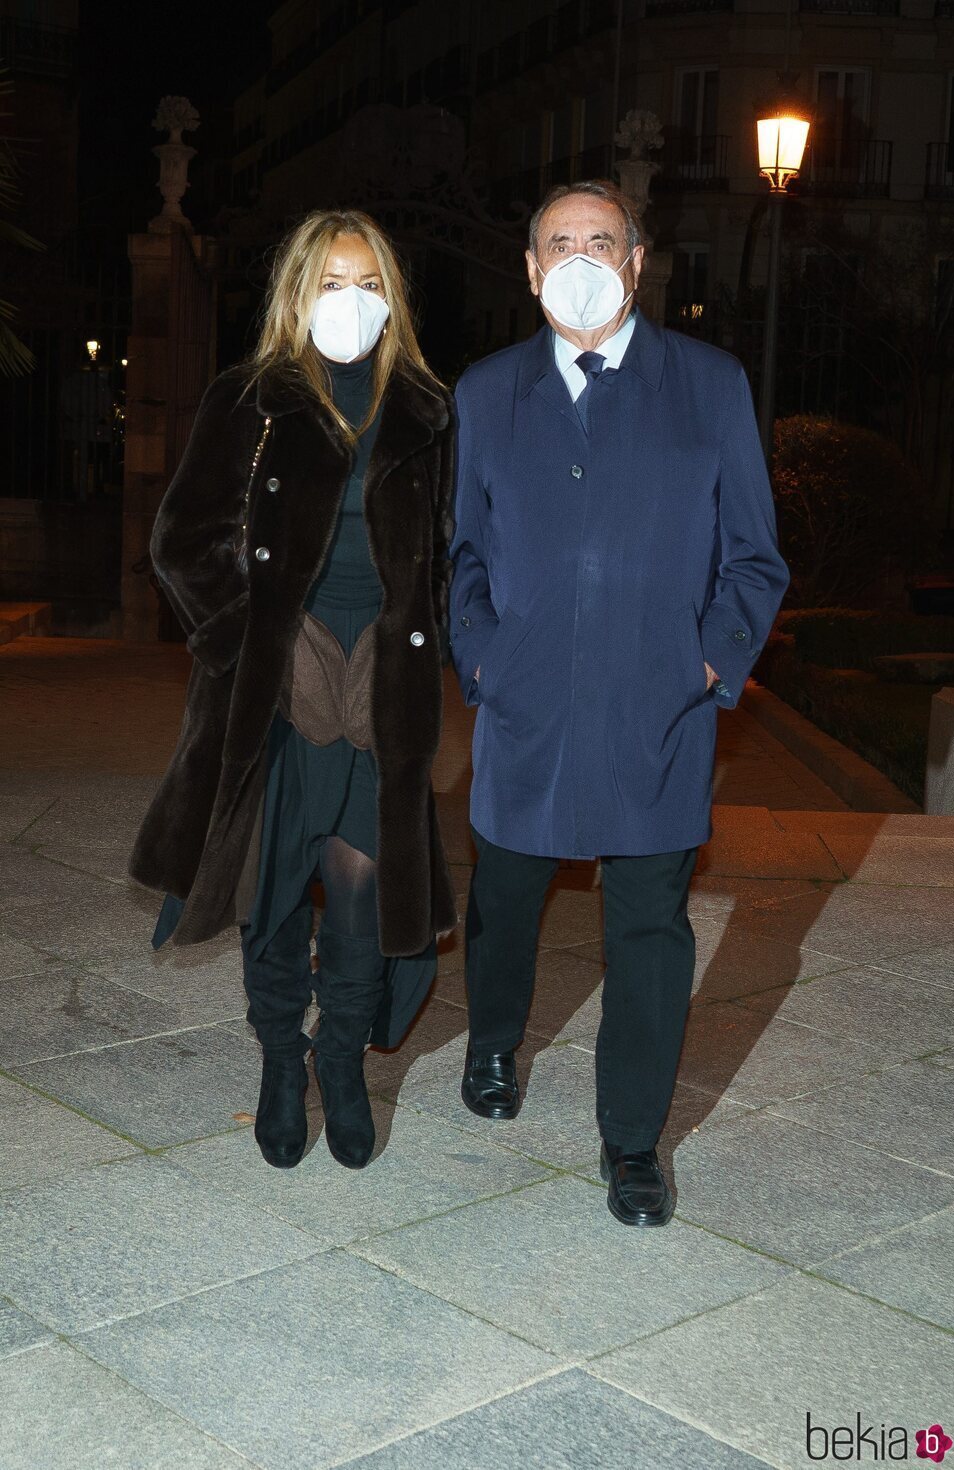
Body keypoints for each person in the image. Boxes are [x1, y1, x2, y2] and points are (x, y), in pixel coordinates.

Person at [449, 180, 789, 1227]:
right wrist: (486, 660)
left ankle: (631, 1142)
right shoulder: (486, 390)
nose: (581, 255)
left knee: (647, 927)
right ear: (530, 266)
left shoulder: (710, 385)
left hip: (658, 712)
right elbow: (461, 555)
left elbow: (752, 559)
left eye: (602, 239)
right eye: (559, 241)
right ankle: (494, 1041)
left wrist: (703, 666)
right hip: (524, 707)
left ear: (637, 262)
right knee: (504, 897)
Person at [130, 209, 457, 1172]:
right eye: (330, 283)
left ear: (391, 298)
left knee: (359, 891)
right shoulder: (251, 399)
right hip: (270, 686)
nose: (349, 302)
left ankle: (343, 1063)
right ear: (297, 292)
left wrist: (420, 650)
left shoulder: (426, 410)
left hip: (382, 686)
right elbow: (179, 543)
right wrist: (257, 640)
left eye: (367, 284)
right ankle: (280, 1060)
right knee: (270, 891)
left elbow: (445, 555)